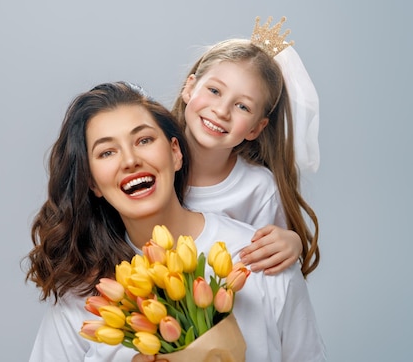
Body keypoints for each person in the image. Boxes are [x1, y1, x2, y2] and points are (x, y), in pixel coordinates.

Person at [25, 81, 325, 361]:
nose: (130, 160)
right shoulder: (84, 295)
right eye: (107, 152)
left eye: (143, 139)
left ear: (175, 153)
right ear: (92, 183)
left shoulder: (261, 259)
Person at [172, 16, 320, 277]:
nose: (221, 111)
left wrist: (290, 242)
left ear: (256, 128)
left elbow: (268, 277)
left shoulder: (258, 189)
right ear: (190, 88)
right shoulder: (149, 158)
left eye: (243, 106)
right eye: (215, 91)